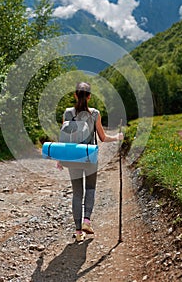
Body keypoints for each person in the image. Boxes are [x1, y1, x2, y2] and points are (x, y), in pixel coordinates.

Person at [58, 82, 124, 243]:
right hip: (90, 156)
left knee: (77, 193)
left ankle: (78, 231)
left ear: (75, 95)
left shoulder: (67, 113)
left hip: (72, 157)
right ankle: (87, 221)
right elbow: (103, 138)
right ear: (89, 96)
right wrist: (117, 137)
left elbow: (64, 138)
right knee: (90, 189)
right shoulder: (95, 113)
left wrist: (61, 158)